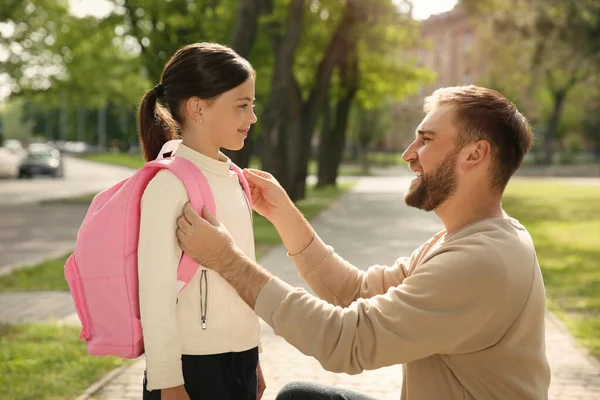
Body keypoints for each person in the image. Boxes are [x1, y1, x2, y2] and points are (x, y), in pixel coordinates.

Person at [175, 85, 551, 399]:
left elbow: (347, 341)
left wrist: (228, 262)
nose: (408, 154)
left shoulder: (481, 262)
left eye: (426, 139)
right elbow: (355, 292)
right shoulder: (467, 239)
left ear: (474, 154)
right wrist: (285, 216)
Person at [136, 42, 265, 400]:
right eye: (242, 105)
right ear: (197, 108)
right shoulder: (168, 184)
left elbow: (243, 274)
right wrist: (168, 381)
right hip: (190, 370)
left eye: (252, 105)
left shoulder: (235, 178)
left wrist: (253, 357)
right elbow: (155, 293)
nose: (252, 118)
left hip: (240, 360)